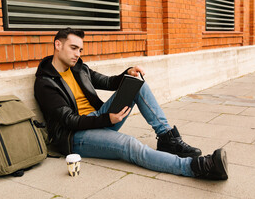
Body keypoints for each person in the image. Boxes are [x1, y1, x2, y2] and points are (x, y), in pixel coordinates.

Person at [34, 28, 228, 180]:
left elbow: (108, 82)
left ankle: (167, 138)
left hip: (98, 118)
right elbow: (70, 121)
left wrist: (127, 74)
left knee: (137, 86)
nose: (77, 53)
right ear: (58, 45)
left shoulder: (79, 68)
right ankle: (197, 168)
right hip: (74, 136)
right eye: (73, 48)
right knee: (130, 145)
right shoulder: (45, 83)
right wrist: (106, 119)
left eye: (80, 49)